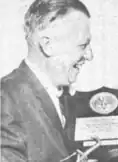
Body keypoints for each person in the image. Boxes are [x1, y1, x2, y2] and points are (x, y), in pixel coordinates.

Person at [1, 0, 93, 161]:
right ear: (47, 45)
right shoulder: (6, 99)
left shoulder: (62, 94)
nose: (90, 55)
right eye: (82, 45)